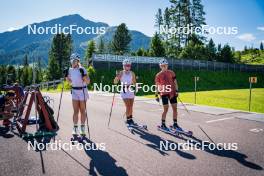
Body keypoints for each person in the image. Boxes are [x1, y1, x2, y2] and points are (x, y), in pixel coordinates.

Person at [65, 53, 90, 136]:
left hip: (82, 91)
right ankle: (75, 128)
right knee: (75, 111)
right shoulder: (70, 70)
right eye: (71, 60)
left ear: (78, 61)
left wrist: (83, 75)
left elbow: (88, 82)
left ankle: (82, 128)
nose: (73, 62)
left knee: (82, 110)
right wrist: (66, 76)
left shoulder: (82, 69)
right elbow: (70, 82)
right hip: (74, 91)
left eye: (74, 60)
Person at [155, 58, 181, 130]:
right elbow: (157, 86)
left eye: (165, 65)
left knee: (175, 109)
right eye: (162, 66)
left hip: (172, 93)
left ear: (167, 65)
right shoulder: (158, 75)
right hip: (164, 94)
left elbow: (175, 82)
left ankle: (175, 124)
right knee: (165, 110)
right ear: (160, 66)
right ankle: (163, 124)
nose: (164, 67)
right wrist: (156, 95)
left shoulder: (171, 72)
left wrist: (177, 91)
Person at [114, 59, 137, 126]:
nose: (128, 67)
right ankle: (128, 120)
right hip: (123, 90)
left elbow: (134, 81)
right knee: (128, 106)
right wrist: (116, 77)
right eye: (126, 65)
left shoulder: (132, 73)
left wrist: (136, 86)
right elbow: (115, 82)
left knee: (131, 106)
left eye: (129, 65)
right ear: (123, 66)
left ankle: (130, 118)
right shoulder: (121, 72)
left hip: (130, 90)